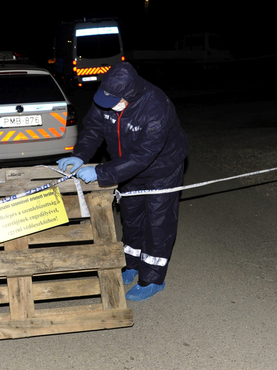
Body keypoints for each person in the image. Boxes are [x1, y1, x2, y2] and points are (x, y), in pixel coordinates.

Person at [57, 62, 189, 301]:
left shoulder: (156, 107)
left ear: (129, 97)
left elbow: (143, 156)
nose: (107, 105)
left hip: (161, 170)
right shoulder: (107, 97)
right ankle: (131, 265)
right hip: (126, 169)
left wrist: (102, 172)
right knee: (131, 217)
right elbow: (93, 129)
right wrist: (80, 155)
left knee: (158, 223)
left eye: (113, 102)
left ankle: (152, 279)